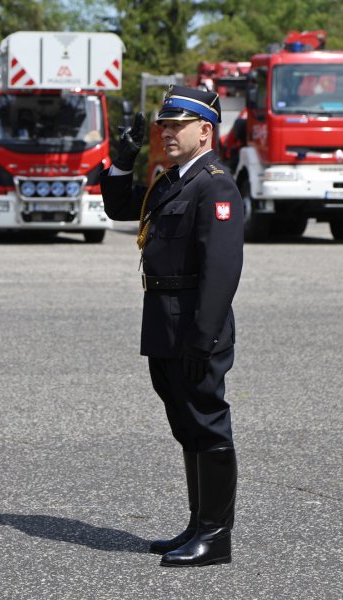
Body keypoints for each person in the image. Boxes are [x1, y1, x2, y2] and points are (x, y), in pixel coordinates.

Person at [100, 86, 244, 567]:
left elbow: (222, 270)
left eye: (176, 125)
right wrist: (123, 158)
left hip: (195, 327)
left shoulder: (215, 183)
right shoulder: (172, 180)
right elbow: (121, 207)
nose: (166, 133)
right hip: (163, 321)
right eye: (163, 125)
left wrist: (203, 337)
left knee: (206, 422)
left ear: (205, 130)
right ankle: (196, 523)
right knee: (186, 426)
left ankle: (216, 536)